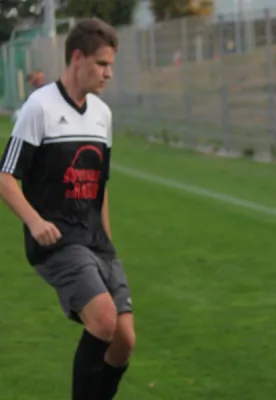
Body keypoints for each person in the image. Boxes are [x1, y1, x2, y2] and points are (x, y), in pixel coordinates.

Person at [0, 18, 135, 400]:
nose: (109, 73)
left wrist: (107, 243)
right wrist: (35, 221)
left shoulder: (102, 115)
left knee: (124, 340)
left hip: (95, 240)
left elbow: (100, 188)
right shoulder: (38, 108)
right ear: (77, 58)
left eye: (111, 65)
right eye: (102, 64)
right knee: (104, 320)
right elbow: (5, 177)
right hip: (56, 239)